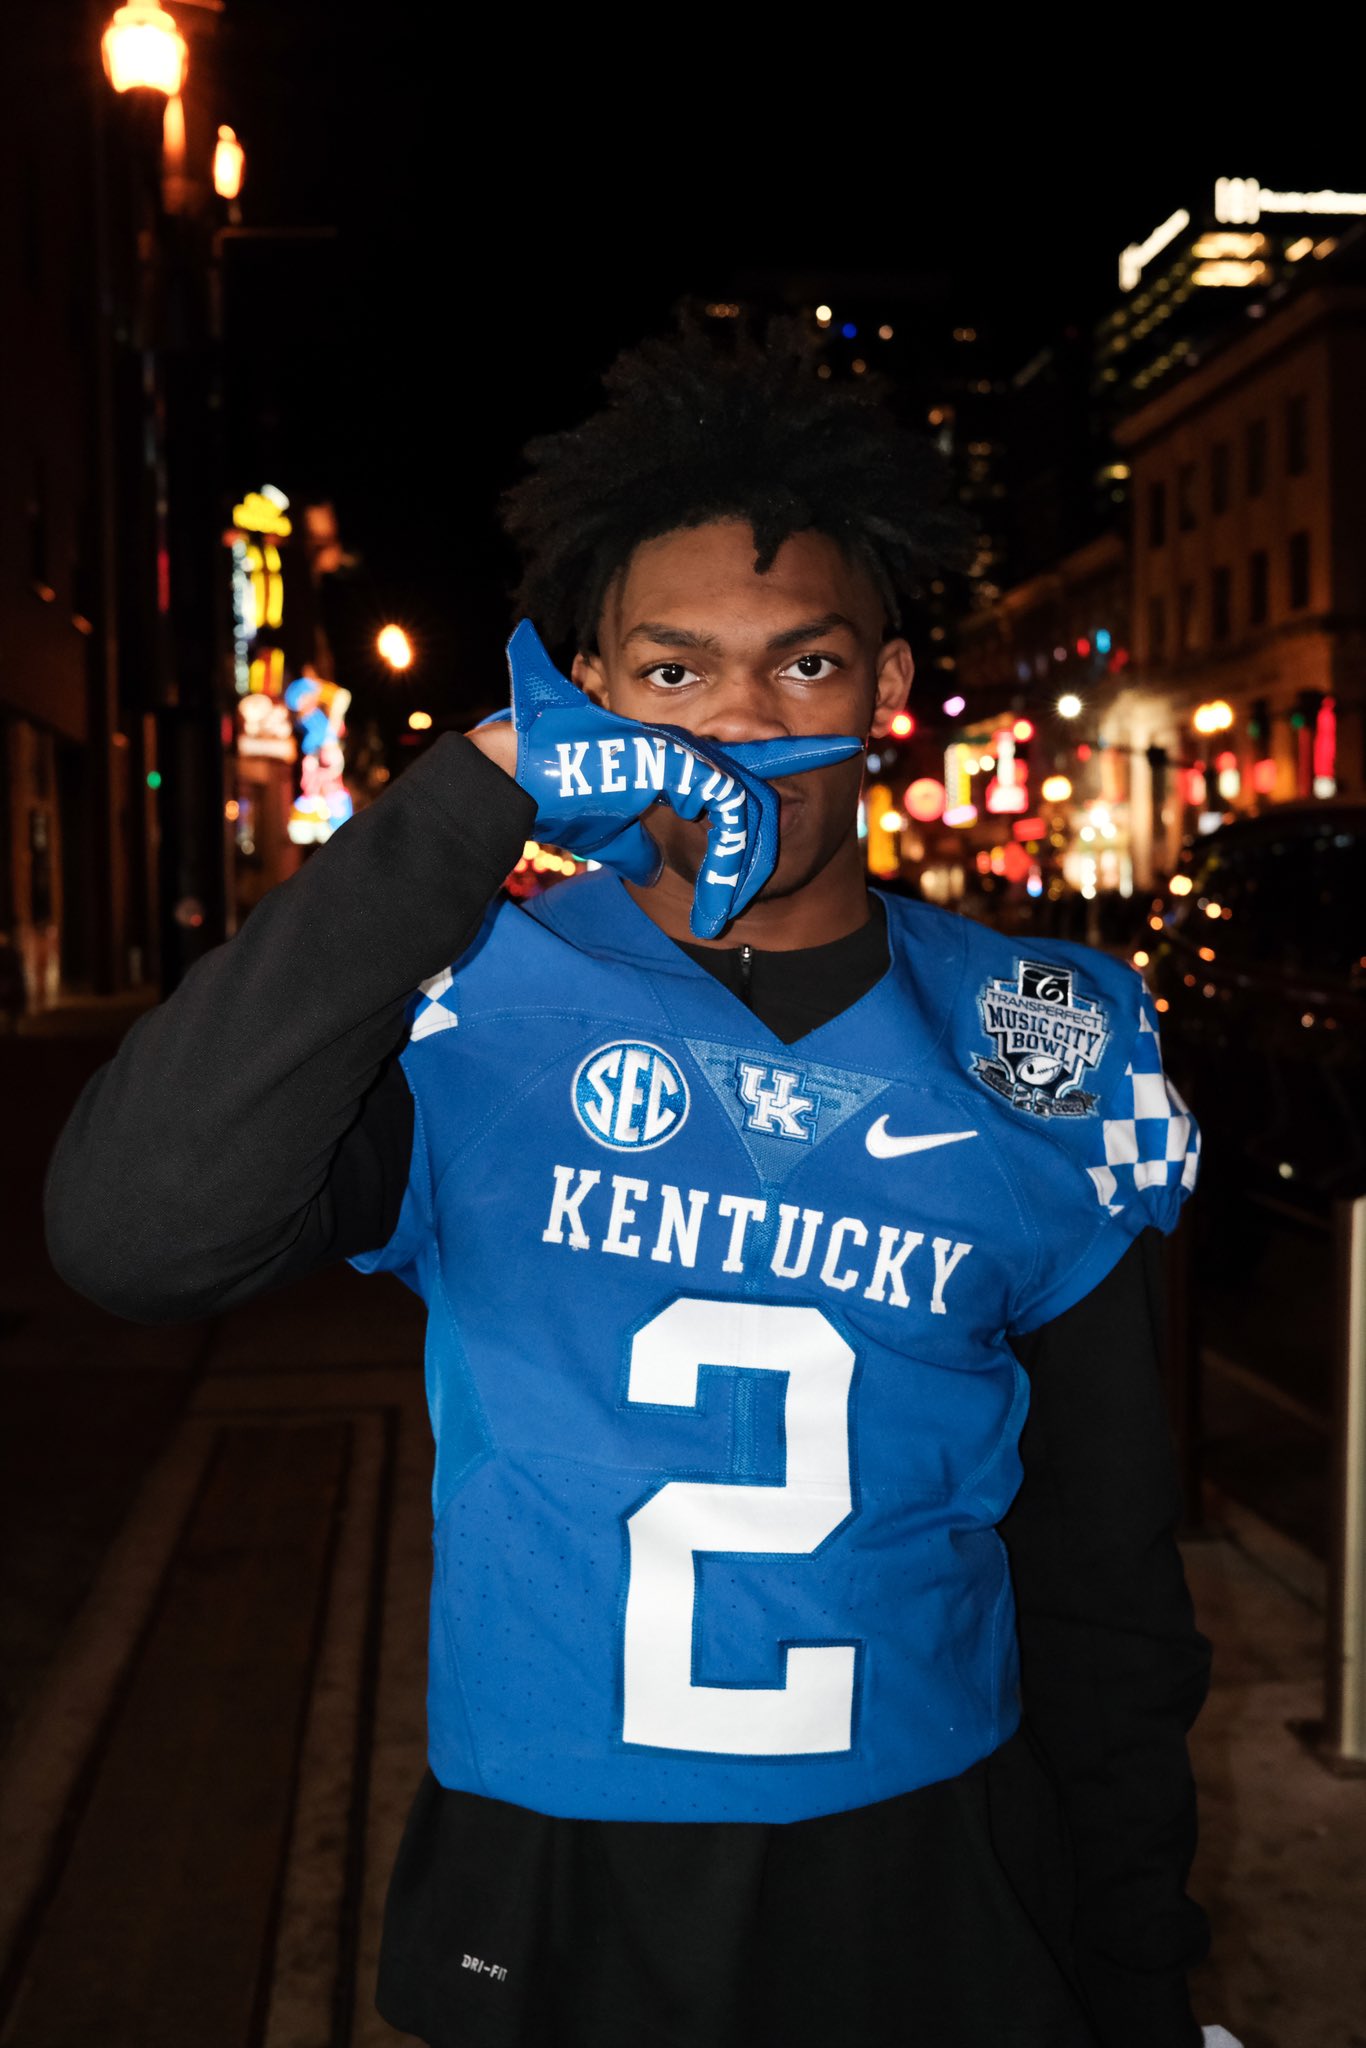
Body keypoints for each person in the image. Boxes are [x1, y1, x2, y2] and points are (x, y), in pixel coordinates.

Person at [46, 323, 1221, 2048]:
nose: (742, 722)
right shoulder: (472, 1007)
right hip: (557, 1869)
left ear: (885, 690)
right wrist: (461, 801)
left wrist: (1135, 1969)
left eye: (802, 667)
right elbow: (131, 1238)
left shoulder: (1041, 1040)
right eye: (674, 674)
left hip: (929, 1861)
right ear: (587, 695)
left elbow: (1109, 1576)